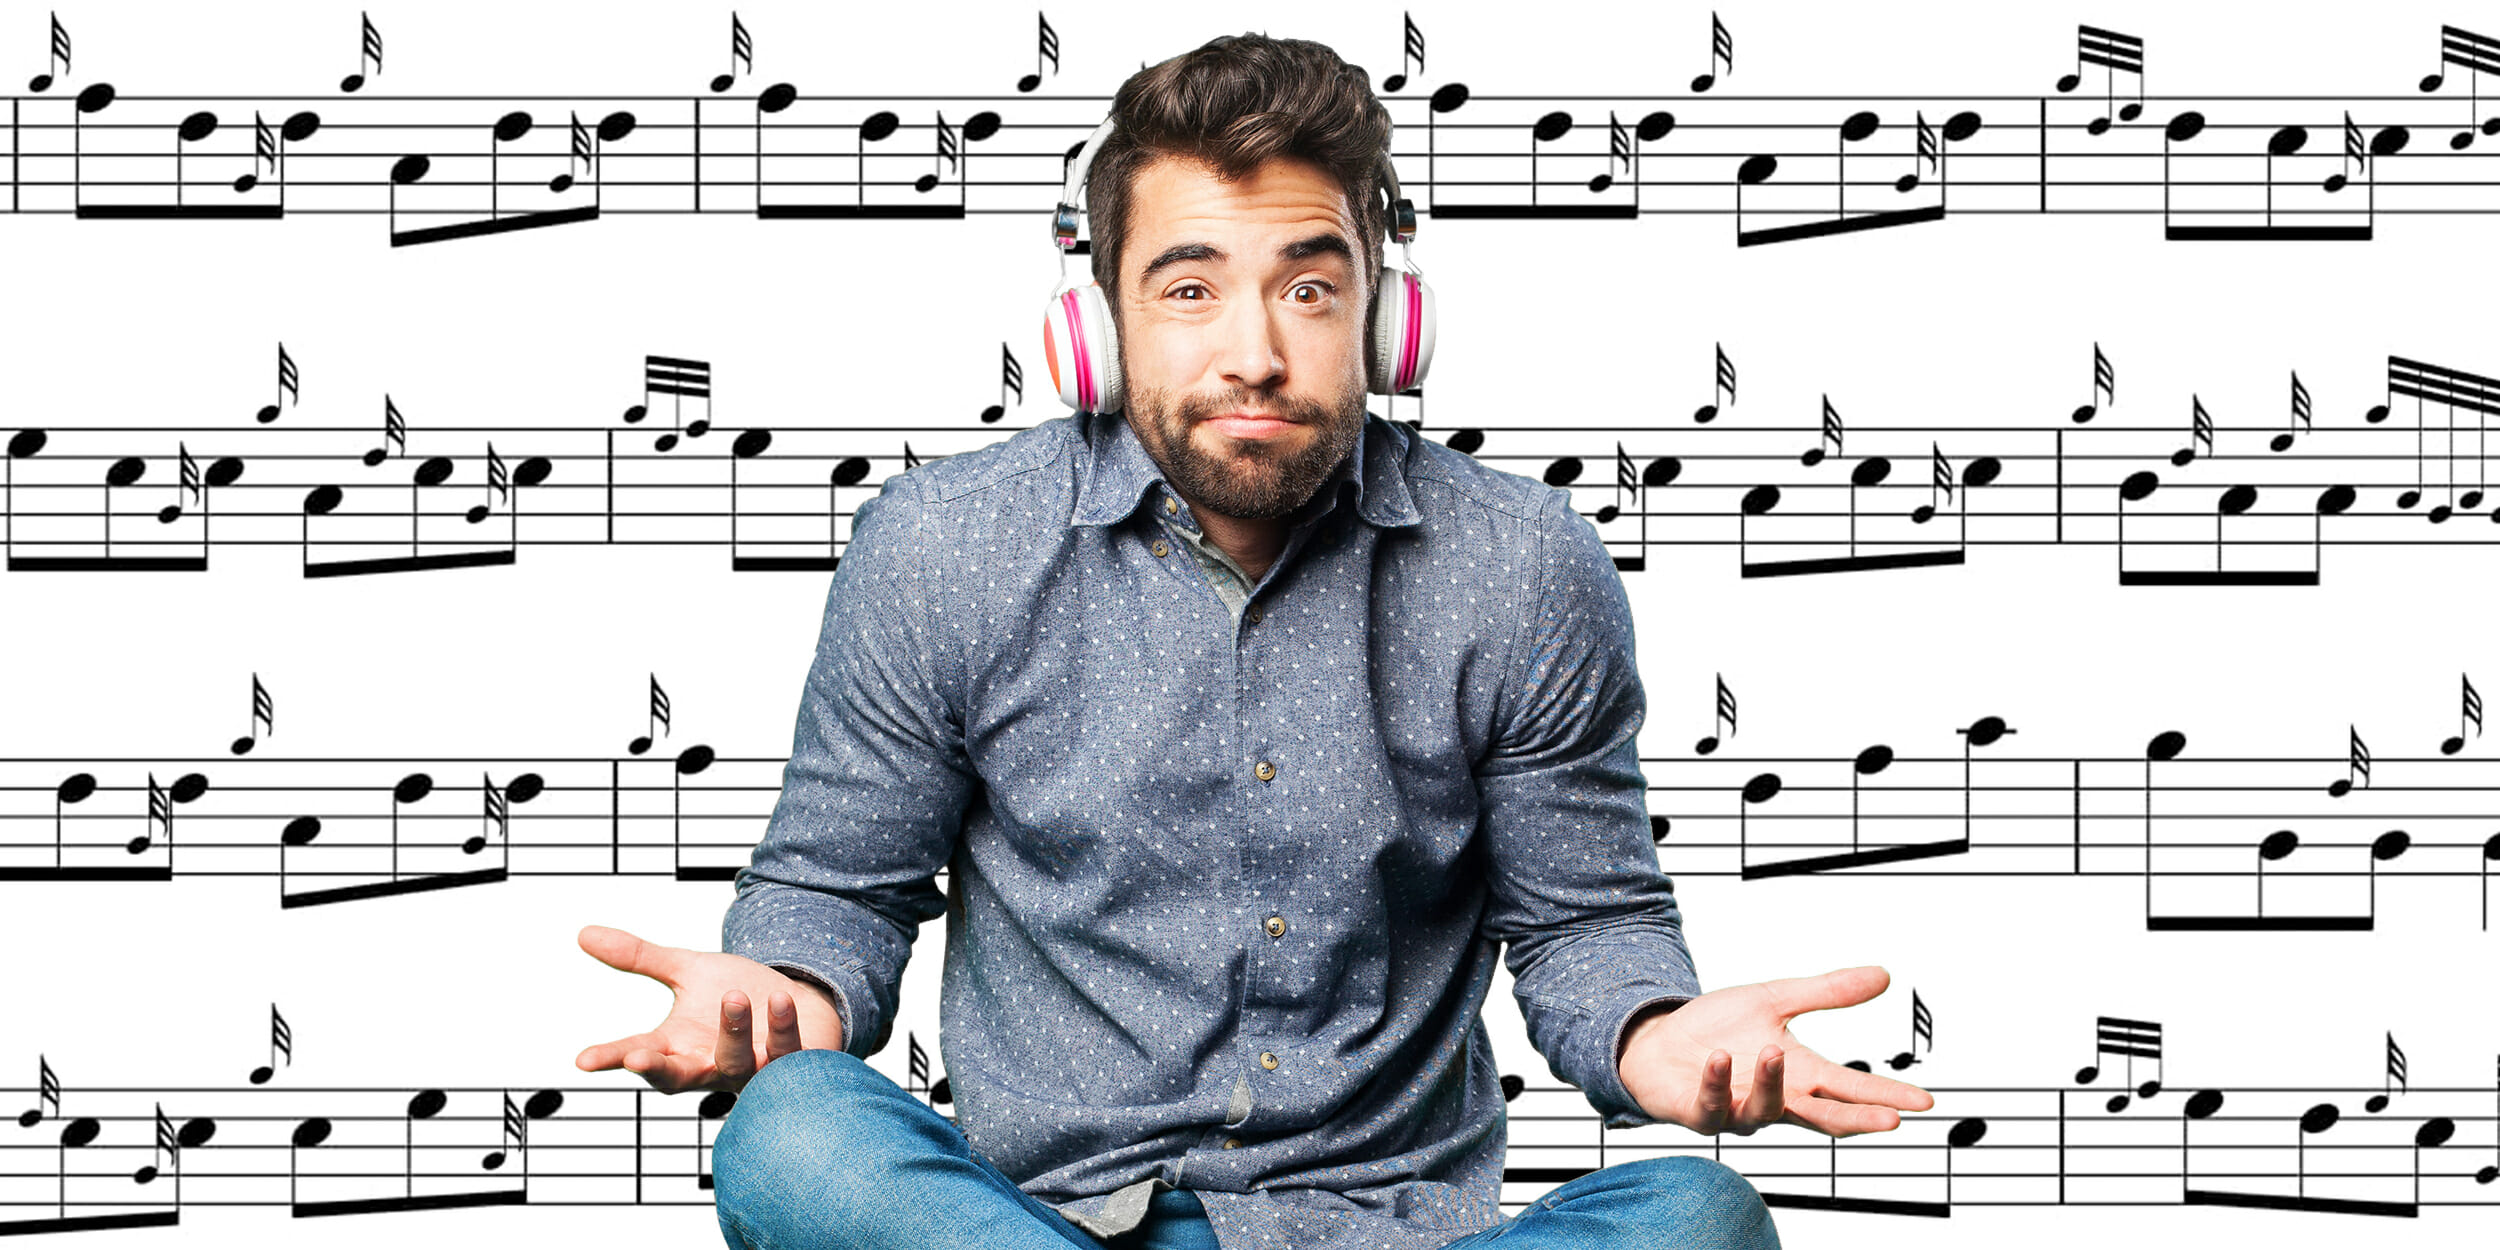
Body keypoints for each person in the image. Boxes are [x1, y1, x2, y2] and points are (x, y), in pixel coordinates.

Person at [574, 30, 1932, 1250]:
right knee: (796, 1130)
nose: (1256, 354)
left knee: (1696, 1214)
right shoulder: (943, 544)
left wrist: (1656, 1033)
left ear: (1387, 321)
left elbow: (1584, 925)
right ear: (1095, 328)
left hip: (1392, 1232)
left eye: (1307, 288)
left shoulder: (1522, 562)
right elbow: (840, 891)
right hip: (1036, 1223)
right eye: (1189, 290)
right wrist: (780, 986)